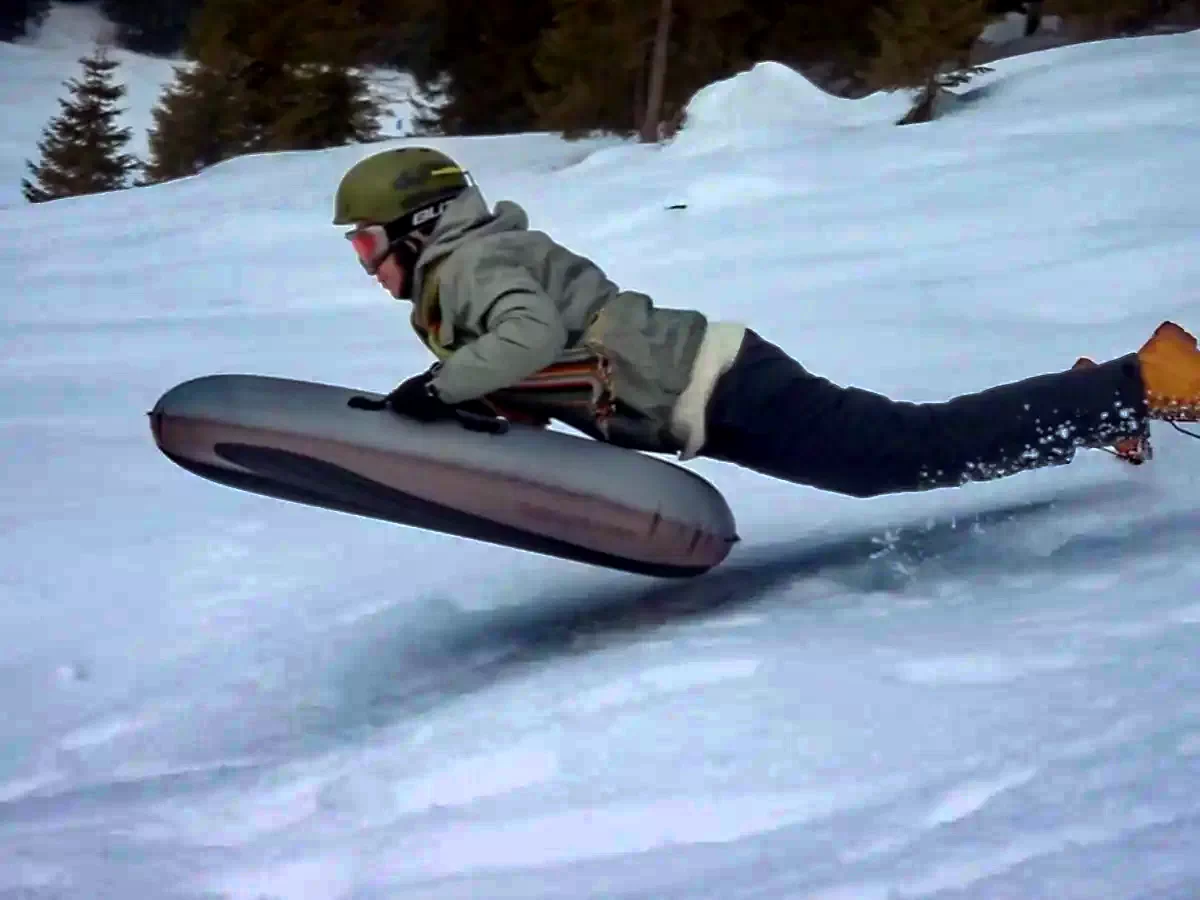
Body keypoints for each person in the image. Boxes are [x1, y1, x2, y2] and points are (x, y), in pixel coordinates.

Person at [332, 146, 1200, 499]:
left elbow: (526, 340)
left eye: (368, 242)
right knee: (885, 462)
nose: (367, 264)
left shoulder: (472, 265)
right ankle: (1094, 406)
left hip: (722, 385)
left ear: (420, 224)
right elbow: (539, 364)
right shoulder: (461, 279)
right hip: (706, 398)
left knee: (902, 449)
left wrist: (439, 390)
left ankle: (1146, 381)